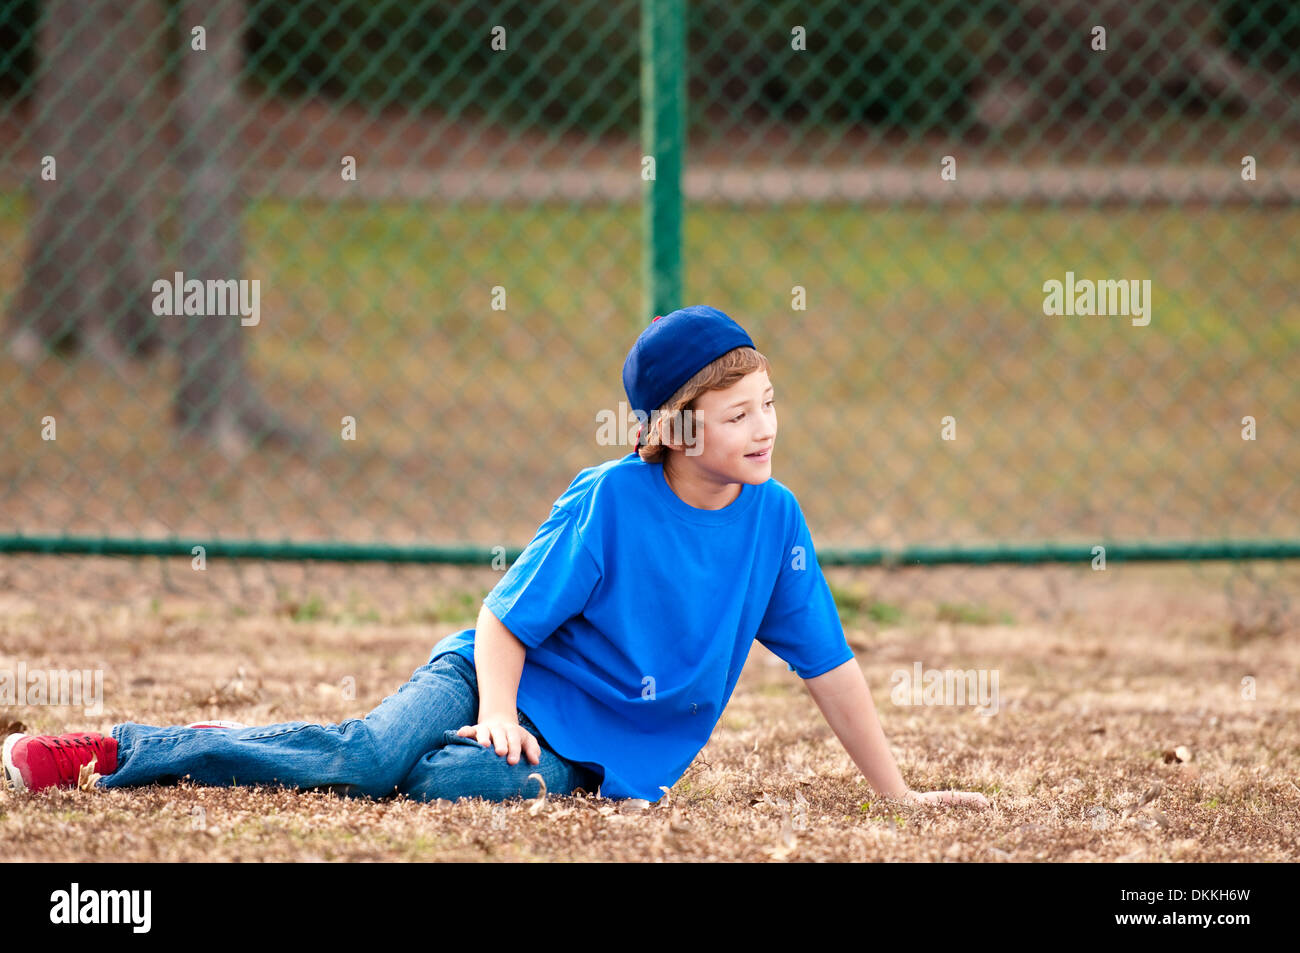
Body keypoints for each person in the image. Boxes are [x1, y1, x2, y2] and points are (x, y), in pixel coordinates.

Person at [3, 305, 989, 810]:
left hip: (594, 753)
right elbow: (504, 621)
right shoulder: (608, 498)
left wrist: (896, 796)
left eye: (769, 402)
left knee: (468, 789)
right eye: (738, 415)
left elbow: (828, 664)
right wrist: (497, 714)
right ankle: (117, 750)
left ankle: (411, 759)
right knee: (368, 756)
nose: (765, 426)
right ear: (677, 431)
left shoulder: (775, 522)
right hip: (491, 675)